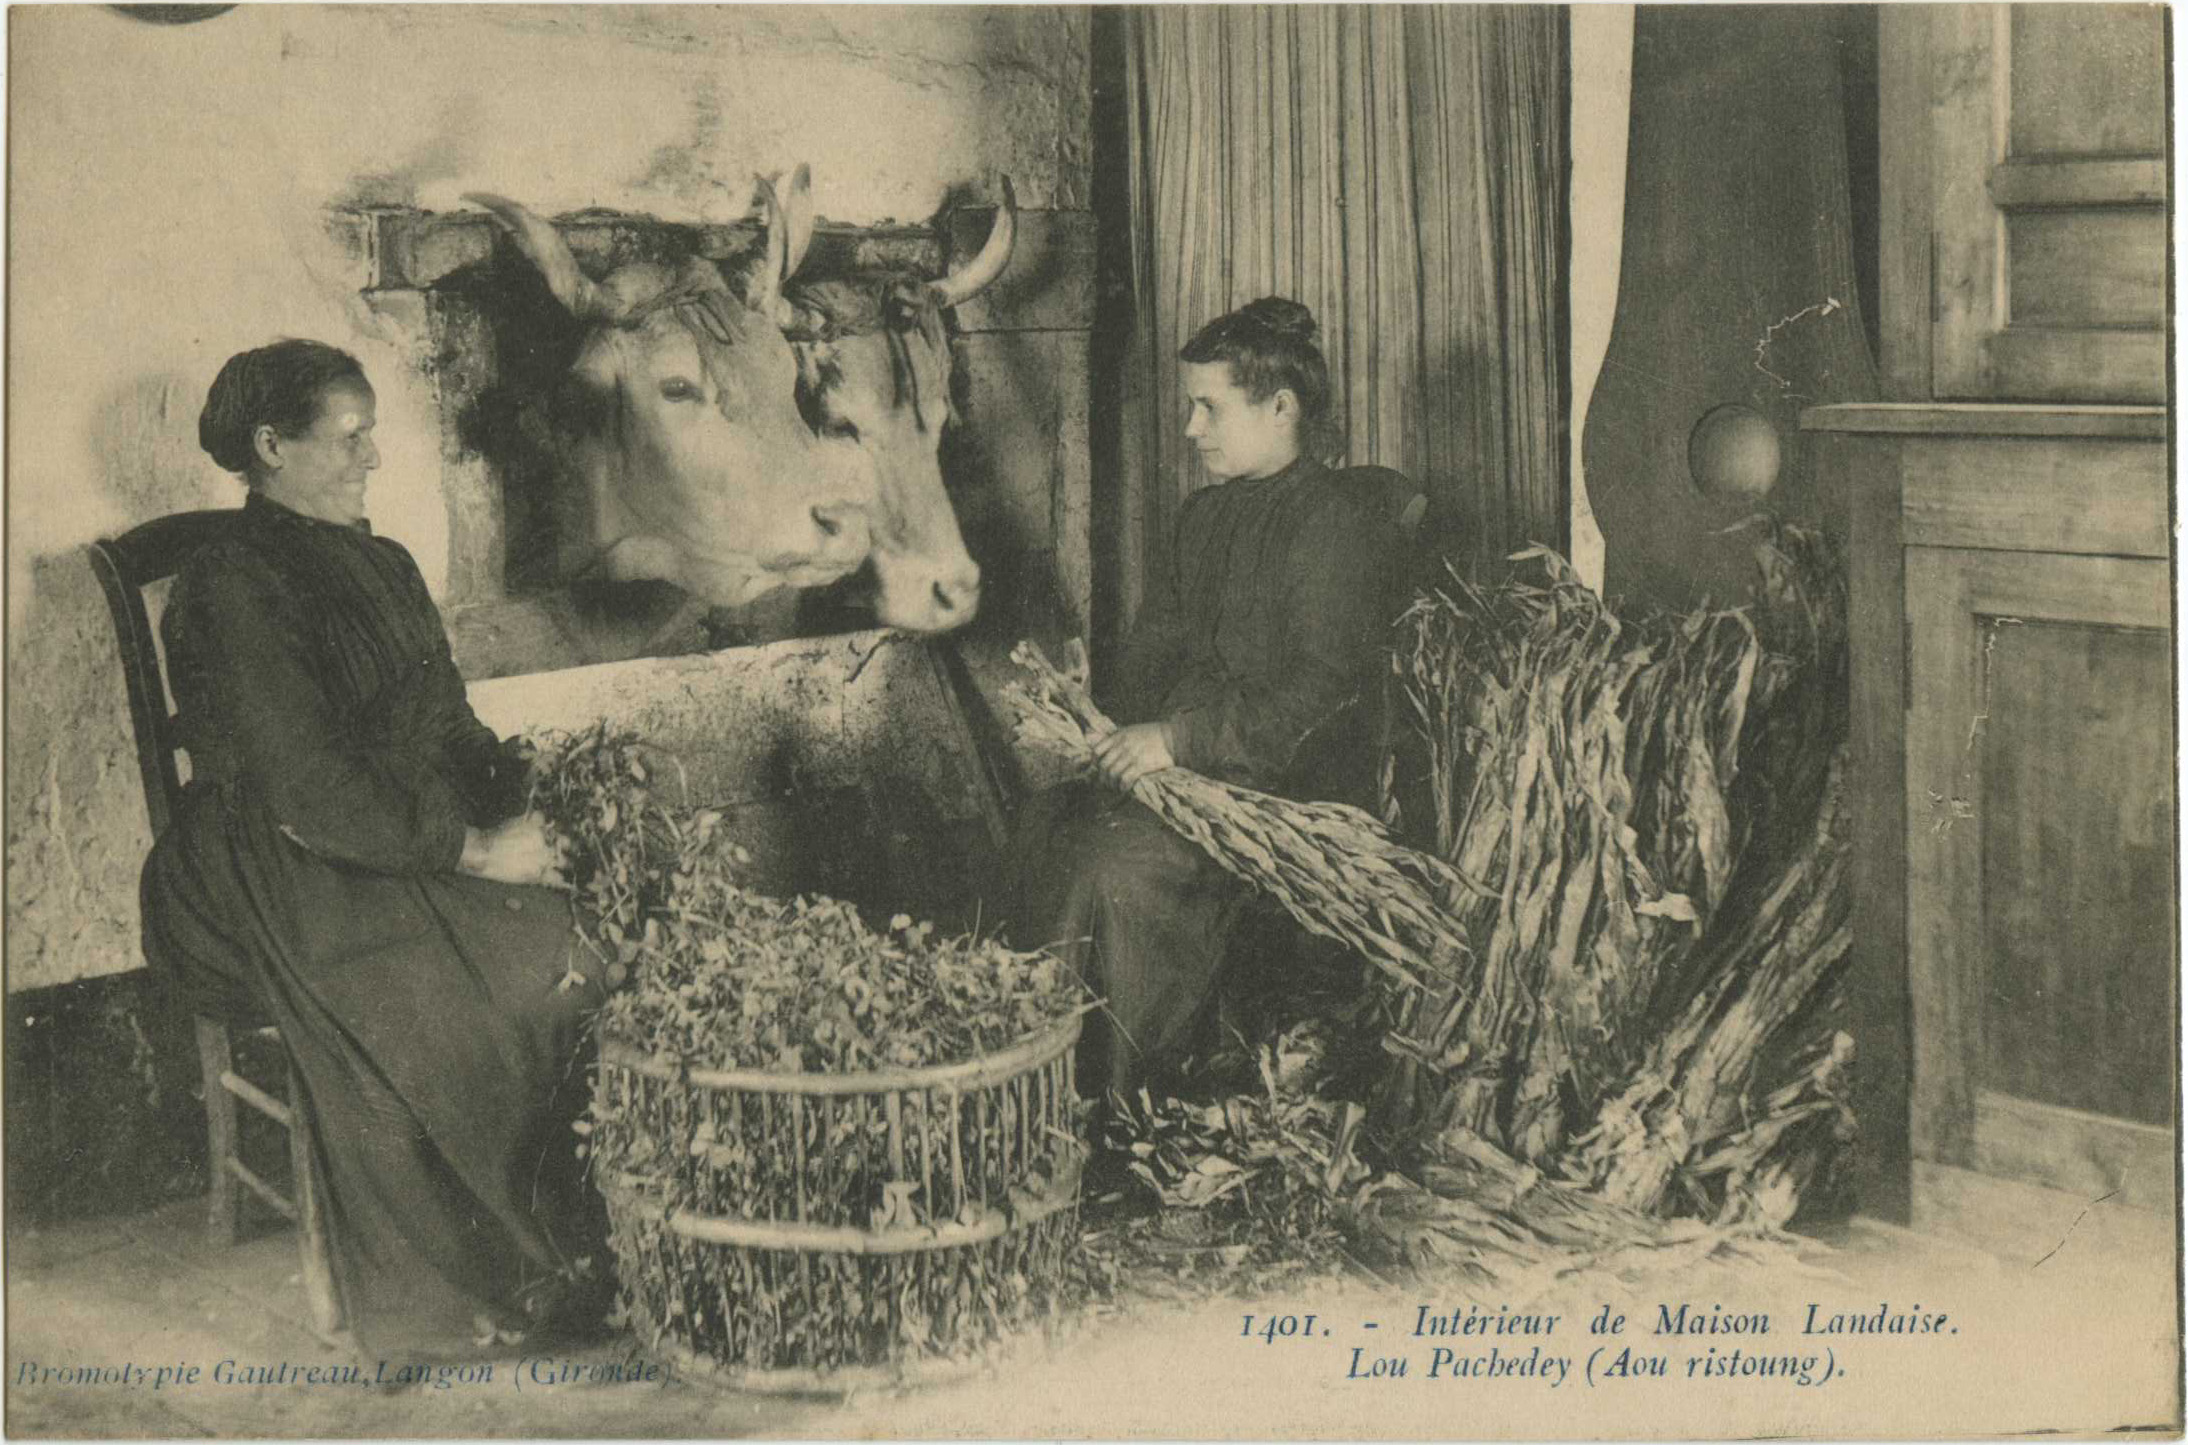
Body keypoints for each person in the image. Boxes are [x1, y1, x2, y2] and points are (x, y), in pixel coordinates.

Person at [139, 339, 608, 1361]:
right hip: (263, 858)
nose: (371, 457)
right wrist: (481, 852)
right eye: (348, 437)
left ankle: (587, 1242)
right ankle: (494, 1278)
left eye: (370, 433)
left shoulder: (385, 562)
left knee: (574, 936)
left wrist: (521, 788)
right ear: (271, 446)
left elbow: (444, 719)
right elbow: (305, 785)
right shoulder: (229, 584)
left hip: (385, 823)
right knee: (450, 990)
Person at [1017, 298, 1410, 1098]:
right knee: (1045, 824)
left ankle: (1101, 1102)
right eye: (1190, 406)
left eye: (1209, 407)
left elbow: (1321, 693)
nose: (1191, 429)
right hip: (1185, 769)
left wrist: (1177, 741)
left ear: (1281, 407)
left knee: (1106, 870)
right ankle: (1016, 1083)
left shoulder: (1331, 524)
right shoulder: (1201, 517)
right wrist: (1096, 711)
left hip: (1277, 781)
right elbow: (1155, 649)